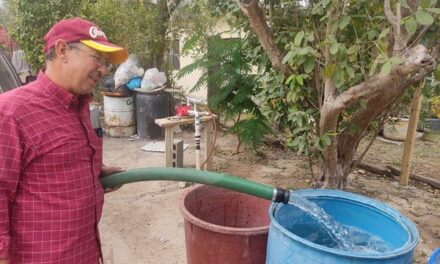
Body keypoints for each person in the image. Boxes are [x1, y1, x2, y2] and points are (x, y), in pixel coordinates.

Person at [0, 17, 129, 264]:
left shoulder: (78, 107)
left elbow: (49, 165)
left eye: (106, 64)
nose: (103, 70)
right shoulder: (11, 111)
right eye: (98, 58)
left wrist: (90, 173)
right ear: (63, 50)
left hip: (85, 254)